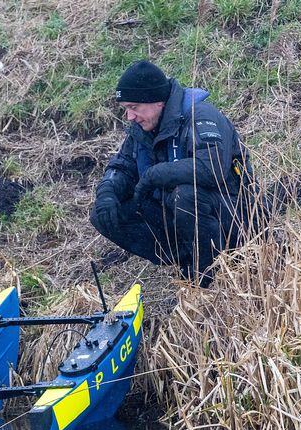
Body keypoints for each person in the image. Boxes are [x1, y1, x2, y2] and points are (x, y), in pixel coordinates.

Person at [90, 60, 268, 287]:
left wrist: (154, 175)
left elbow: (211, 168)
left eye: (134, 107)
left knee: (185, 196)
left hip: (237, 216)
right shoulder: (142, 128)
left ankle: (208, 277)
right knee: (104, 212)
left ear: (157, 101)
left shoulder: (199, 115)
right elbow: (121, 167)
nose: (129, 117)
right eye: (126, 109)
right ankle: (186, 258)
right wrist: (107, 192)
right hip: (181, 215)